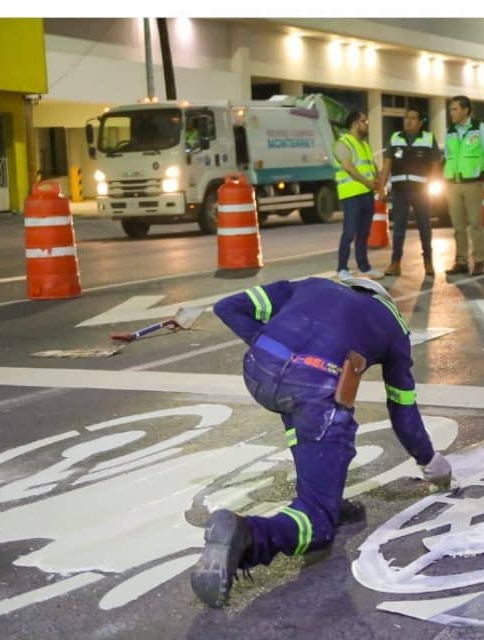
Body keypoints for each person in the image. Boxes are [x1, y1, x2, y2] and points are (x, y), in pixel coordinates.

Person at [191, 276, 453, 608]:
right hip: (315, 387)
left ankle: (324, 490)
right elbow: (402, 412)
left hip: (258, 371)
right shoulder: (393, 322)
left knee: (303, 423)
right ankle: (247, 534)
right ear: (383, 298)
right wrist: (430, 462)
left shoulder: (311, 285)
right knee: (318, 523)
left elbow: (228, 307)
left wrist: (271, 346)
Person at [379, 106, 441, 278]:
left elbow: (436, 165)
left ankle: (428, 262)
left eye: (413, 118)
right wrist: (381, 187)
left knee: (424, 227)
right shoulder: (395, 138)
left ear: (420, 123)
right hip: (400, 189)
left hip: (421, 190)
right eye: (406, 117)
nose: (408, 120)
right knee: (398, 228)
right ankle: (395, 263)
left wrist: (434, 184)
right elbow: (387, 164)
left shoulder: (428, 139)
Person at [443, 95, 484, 277]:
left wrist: (481, 172)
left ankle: (480, 261)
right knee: (458, 226)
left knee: (475, 224)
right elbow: (448, 155)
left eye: (455, 109)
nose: (452, 113)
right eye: (451, 109)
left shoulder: (480, 128)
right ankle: (461, 261)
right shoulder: (450, 131)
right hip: (453, 183)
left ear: (466, 110)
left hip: (472, 182)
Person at [334, 111, 384, 281]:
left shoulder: (364, 144)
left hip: (367, 194)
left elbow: (372, 166)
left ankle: (364, 267)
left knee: (363, 233)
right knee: (349, 233)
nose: (367, 124)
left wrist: (378, 181)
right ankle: (342, 268)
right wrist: (368, 183)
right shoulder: (343, 143)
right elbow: (349, 167)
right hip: (352, 194)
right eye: (364, 121)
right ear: (355, 123)